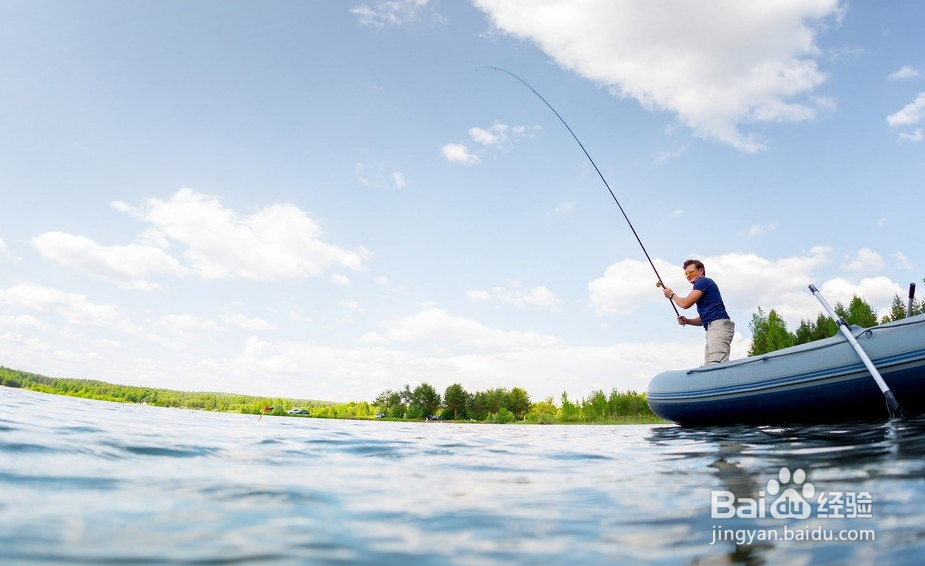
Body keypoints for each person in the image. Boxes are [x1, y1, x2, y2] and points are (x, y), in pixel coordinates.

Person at [661, 259, 735, 365]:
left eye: (691, 272)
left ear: (701, 271)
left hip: (718, 327)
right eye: (686, 273)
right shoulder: (703, 285)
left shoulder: (702, 281)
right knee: (709, 367)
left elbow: (685, 304)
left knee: (716, 365)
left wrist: (671, 294)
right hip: (713, 327)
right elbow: (703, 318)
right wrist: (687, 321)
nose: (688, 275)